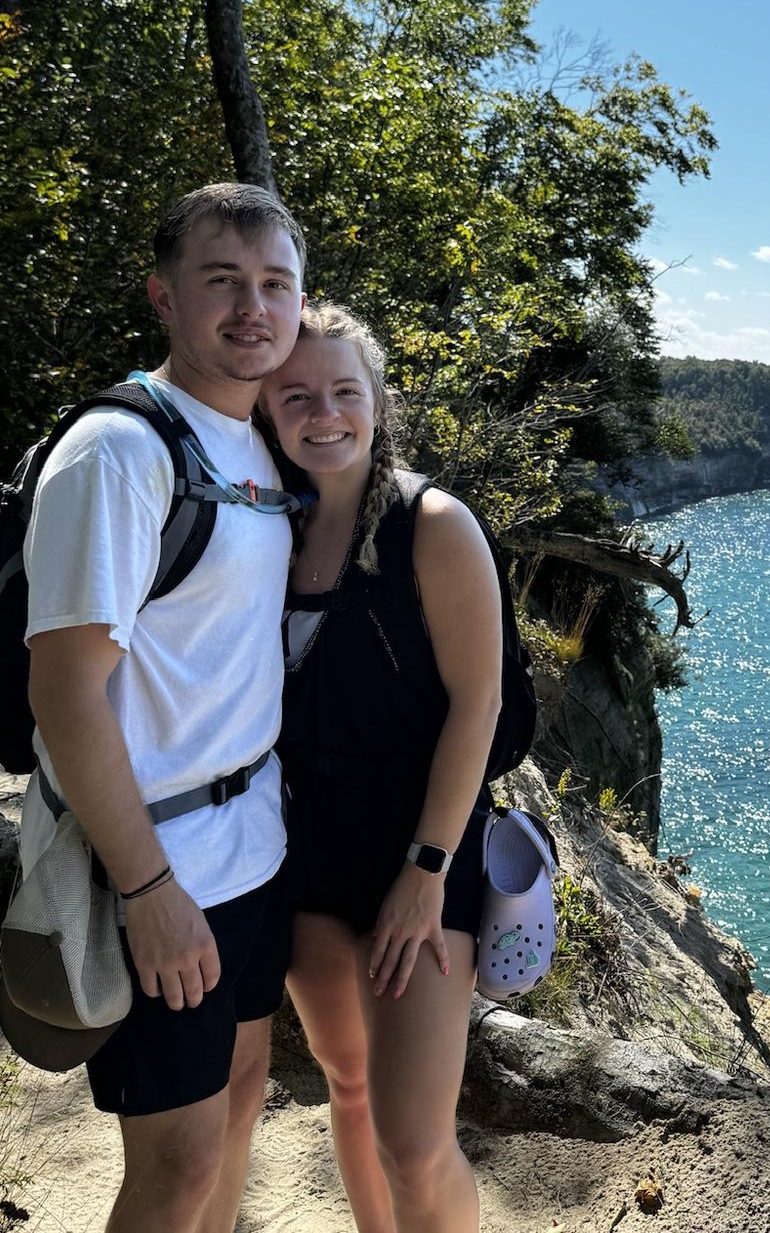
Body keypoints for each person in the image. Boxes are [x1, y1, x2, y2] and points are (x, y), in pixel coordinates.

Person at [20, 182, 306, 1232]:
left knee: (239, 1102)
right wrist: (147, 887)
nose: (251, 308)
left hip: (253, 850)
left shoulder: (256, 442)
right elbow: (64, 692)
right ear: (164, 298)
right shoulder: (121, 453)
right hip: (156, 862)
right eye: (221, 281)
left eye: (274, 284)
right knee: (176, 1164)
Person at [260, 303, 501, 1233]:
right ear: (268, 409)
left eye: (345, 391)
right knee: (348, 1089)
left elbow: (477, 704)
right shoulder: (262, 525)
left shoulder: (431, 524)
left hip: (423, 856)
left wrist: (426, 870)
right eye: (298, 394)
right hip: (308, 854)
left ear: (377, 400)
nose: (324, 412)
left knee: (413, 1138)